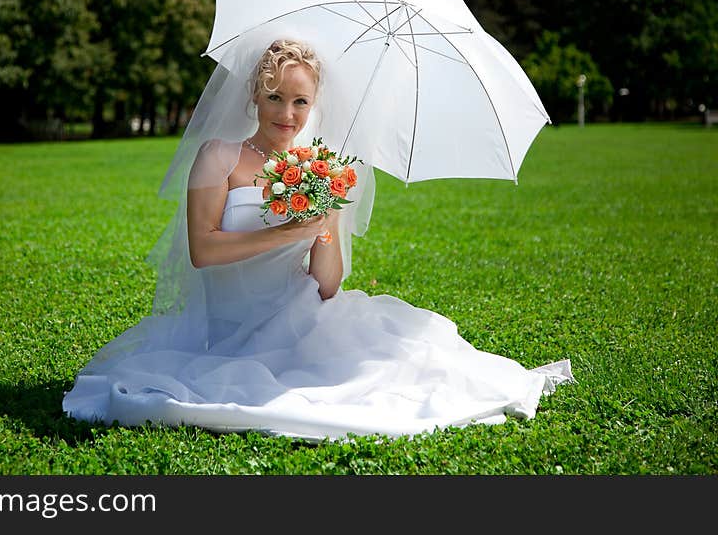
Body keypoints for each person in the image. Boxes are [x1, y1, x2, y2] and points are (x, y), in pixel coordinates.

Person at [62, 37, 573, 441]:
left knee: (396, 364)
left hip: (298, 312)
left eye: (300, 101)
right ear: (254, 96)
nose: (287, 114)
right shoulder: (219, 157)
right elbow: (203, 251)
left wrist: (323, 223)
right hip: (228, 325)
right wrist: (287, 230)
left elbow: (327, 285)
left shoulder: (316, 171)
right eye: (275, 98)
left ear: (313, 104)